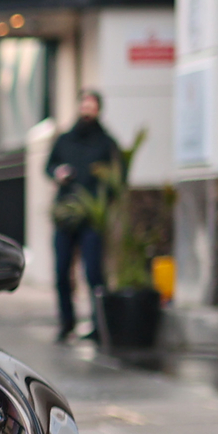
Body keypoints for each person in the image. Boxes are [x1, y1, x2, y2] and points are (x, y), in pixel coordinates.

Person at [46, 88, 121, 341]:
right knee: (61, 270)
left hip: (91, 217)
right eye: (84, 105)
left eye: (92, 106)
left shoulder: (106, 143)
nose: (87, 111)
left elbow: (116, 178)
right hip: (66, 215)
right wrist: (58, 173)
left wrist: (103, 202)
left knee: (94, 273)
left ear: (99, 110)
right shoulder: (65, 139)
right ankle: (66, 322)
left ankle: (100, 325)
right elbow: (49, 165)